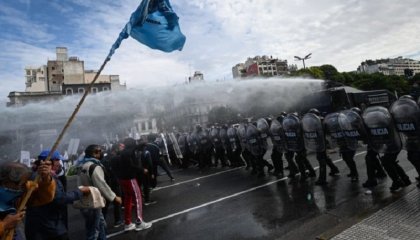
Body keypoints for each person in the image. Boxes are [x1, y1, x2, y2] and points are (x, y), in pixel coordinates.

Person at [25, 150, 91, 240]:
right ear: (49, 161)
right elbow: (59, 199)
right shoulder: (43, 178)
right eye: (58, 161)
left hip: (39, 227)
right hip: (50, 227)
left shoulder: (34, 175)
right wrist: (80, 192)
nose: (60, 164)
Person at [0, 160, 56, 239]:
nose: (24, 187)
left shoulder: (24, 189)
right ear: (6, 182)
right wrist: (4, 224)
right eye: (21, 184)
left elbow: (45, 197)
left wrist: (46, 178)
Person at [77, 145, 122, 239]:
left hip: (85, 201)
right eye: (100, 151)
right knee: (95, 232)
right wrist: (114, 197)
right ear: (94, 153)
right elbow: (101, 185)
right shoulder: (94, 167)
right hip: (94, 202)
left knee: (100, 226)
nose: (102, 152)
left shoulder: (82, 165)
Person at [116, 138, 152, 232]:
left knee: (128, 200)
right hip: (130, 179)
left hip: (122, 179)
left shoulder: (123, 152)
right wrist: (142, 169)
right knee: (138, 199)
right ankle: (139, 222)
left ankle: (128, 223)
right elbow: (131, 165)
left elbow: (138, 147)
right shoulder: (129, 152)